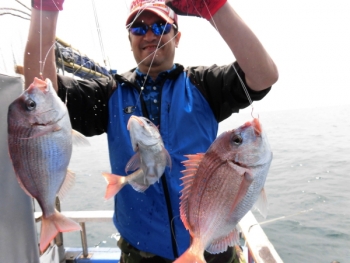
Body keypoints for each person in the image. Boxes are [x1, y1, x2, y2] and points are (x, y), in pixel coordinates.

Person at [25, 0, 278, 262]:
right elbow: (40, 92)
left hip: (213, 246)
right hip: (140, 254)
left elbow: (264, 76)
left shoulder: (203, 86)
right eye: (138, 28)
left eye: (160, 27)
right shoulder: (109, 94)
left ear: (176, 37)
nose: (148, 35)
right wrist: (46, 7)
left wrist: (215, 8)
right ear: (129, 39)